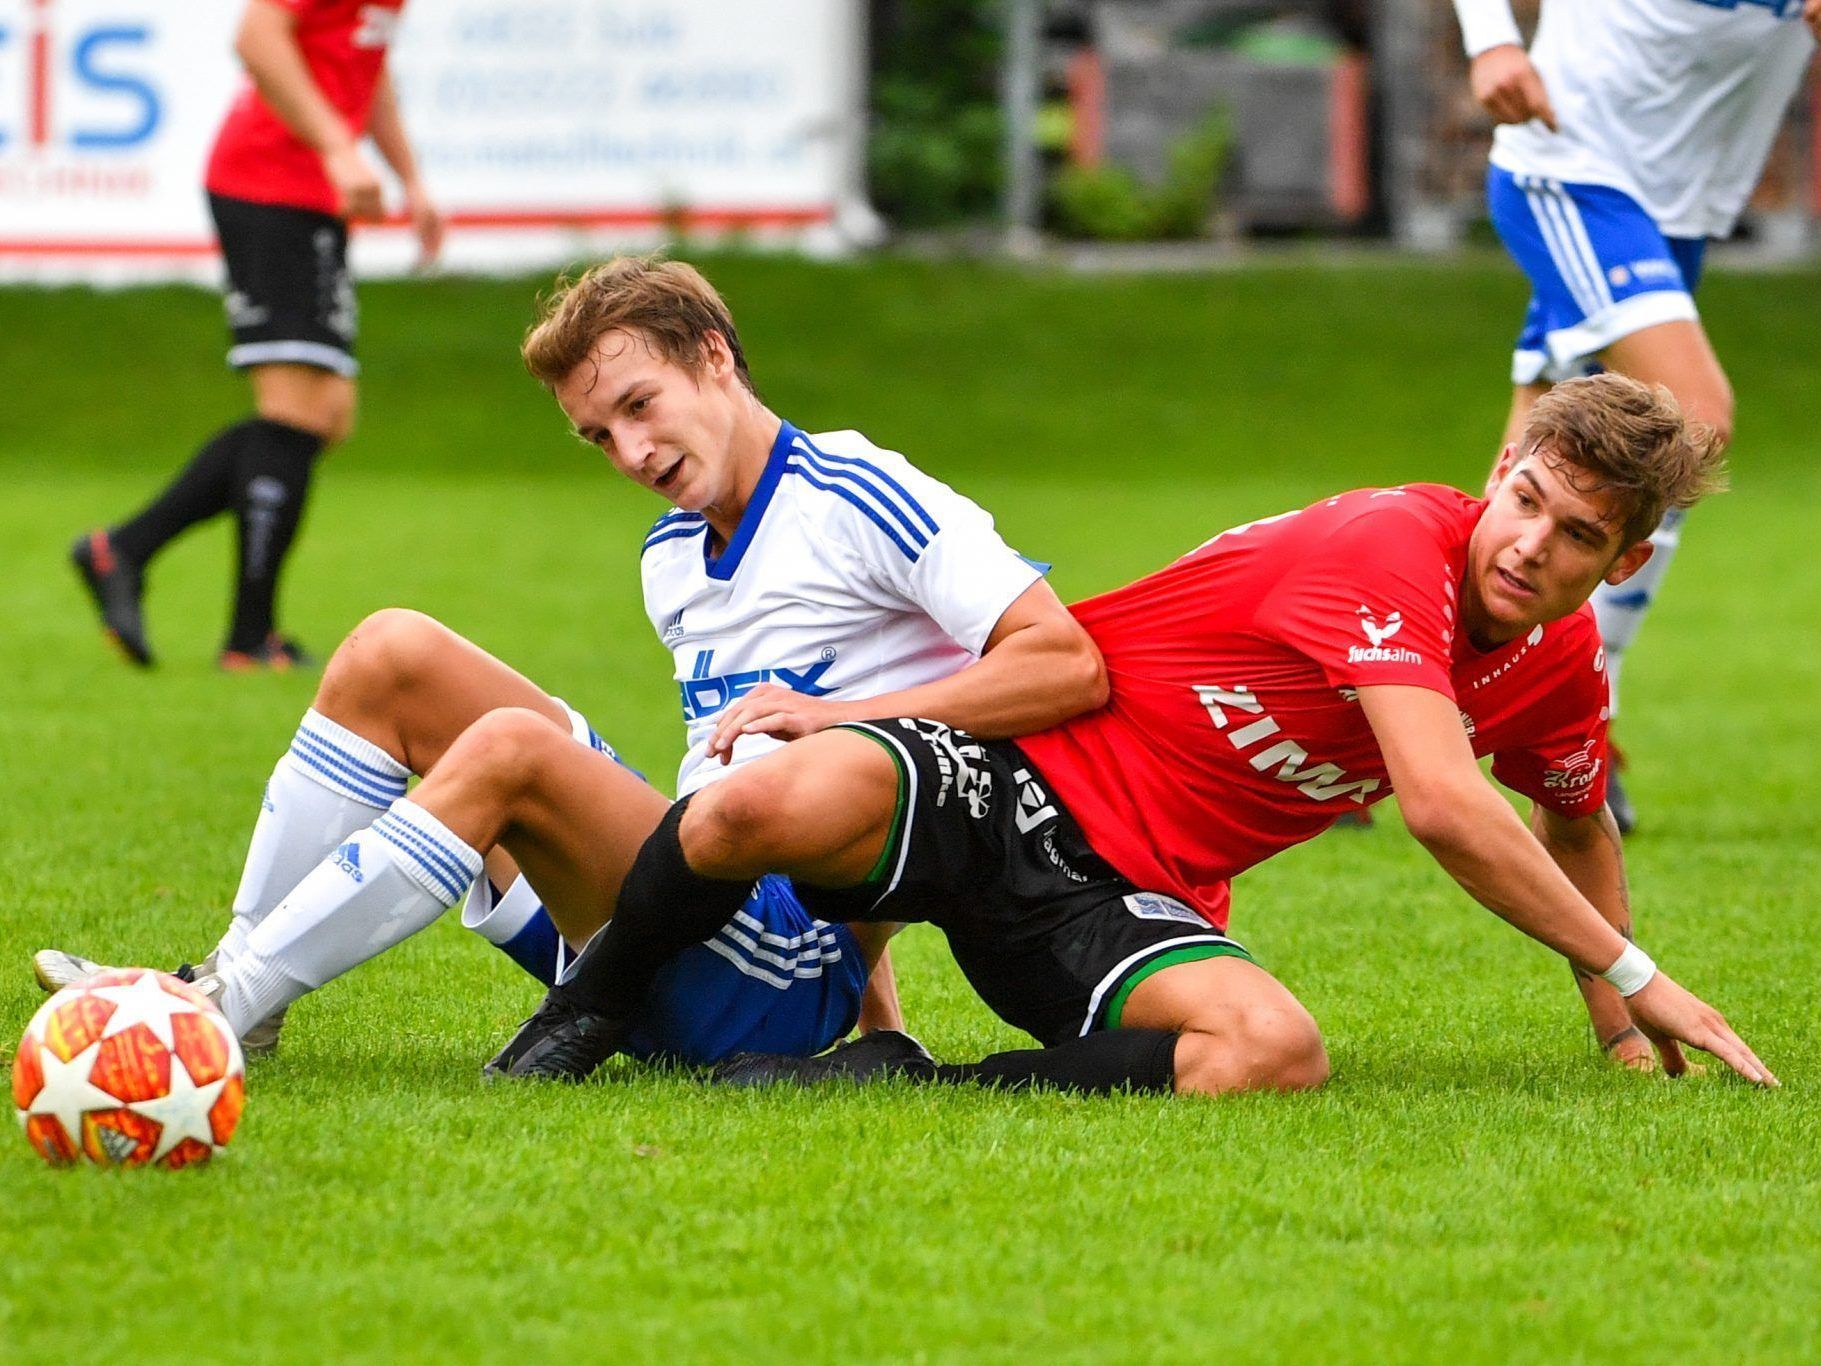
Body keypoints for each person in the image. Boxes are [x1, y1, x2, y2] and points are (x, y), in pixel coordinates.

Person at [488, 373, 1777, 1096]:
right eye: (1527, 499)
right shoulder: (1394, 542)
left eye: (1575, 535)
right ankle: (584, 1014)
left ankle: (906, 1076)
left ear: (1625, 562)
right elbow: (1442, 803)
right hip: (1004, 779)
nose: (1531, 544)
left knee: (1274, 1052)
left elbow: (1573, 816)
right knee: (748, 805)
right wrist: (1638, 969)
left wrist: (1619, 1027)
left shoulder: (1559, 666)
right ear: (1501, 471)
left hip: (1114, 894)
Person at [38, 256, 1106, 1069]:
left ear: (714, 357)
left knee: (512, 745)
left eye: (639, 406)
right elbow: (737, 780)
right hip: (674, 919)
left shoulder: (859, 493)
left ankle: (208, 1012)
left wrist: (841, 721)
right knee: (390, 651)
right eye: (599, 436)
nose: (631, 453)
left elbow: (1064, 663)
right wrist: (885, 1028)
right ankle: (236, 986)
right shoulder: (670, 554)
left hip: (774, 969)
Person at [1450, 0, 1820, 830]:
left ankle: (1368, 694)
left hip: (1677, 202)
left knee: (1533, 459)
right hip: (1571, 158)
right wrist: (1492, 40)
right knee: (1686, 425)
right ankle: (1584, 715)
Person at [70, 0, 443, 671]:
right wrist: (338, 147)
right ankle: (246, 637)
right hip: (269, 184)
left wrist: (409, 177)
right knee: (297, 413)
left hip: (309, 196)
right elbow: (256, 34)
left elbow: (365, 66)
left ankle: (126, 551)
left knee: (326, 414)